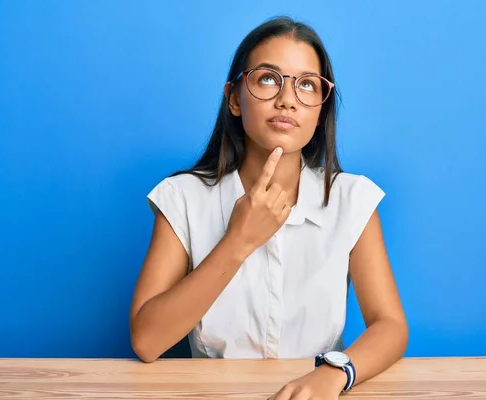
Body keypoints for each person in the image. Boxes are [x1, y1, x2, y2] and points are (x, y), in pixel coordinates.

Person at [129, 16, 408, 399]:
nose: (287, 99)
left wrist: (333, 375)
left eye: (307, 85)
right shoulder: (183, 197)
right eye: (267, 78)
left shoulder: (351, 199)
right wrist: (239, 240)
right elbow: (146, 340)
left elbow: (390, 325)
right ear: (234, 99)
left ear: (321, 110)